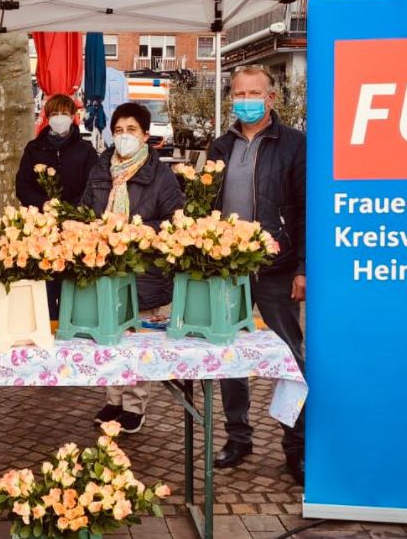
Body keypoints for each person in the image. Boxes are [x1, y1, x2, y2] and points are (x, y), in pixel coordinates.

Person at [207, 65, 306, 486]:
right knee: (231, 355)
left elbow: (307, 211)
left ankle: (296, 445)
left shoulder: (295, 146)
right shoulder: (219, 146)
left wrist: (303, 267)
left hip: (277, 269)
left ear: (271, 98)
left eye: (254, 92)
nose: (245, 99)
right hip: (229, 269)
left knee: (290, 357)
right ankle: (238, 436)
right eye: (238, 92)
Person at [81, 102, 184, 433]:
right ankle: (113, 400)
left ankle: (134, 406)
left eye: (132, 131)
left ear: (145, 135)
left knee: (137, 342)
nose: (124, 137)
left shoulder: (161, 175)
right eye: (119, 131)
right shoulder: (100, 170)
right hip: (107, 270)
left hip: (146, 270)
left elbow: (175, 221)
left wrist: (138, 230)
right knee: (111, 337)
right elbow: (85, 210)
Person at [16, 93, 99, 318]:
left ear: (74, 116)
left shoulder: (86, 151)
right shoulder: (34, 148)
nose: (59, 118)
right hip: (41, 230)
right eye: (54, 114)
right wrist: (43, 206)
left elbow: (91, 188)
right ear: (46, 117)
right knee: (44, 286)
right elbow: (22, 186)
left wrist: (67, 211)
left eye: (64, 113)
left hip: (74, 229)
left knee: (70, 286)